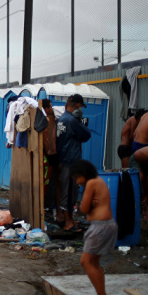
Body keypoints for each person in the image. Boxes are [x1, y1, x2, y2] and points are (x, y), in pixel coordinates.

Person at [70, 159, 117, 295]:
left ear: (83, 174)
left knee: (86, 261)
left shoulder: (91, 183)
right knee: (94, 262)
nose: (77, 183)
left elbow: (83, 208)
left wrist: (86, 204)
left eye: (77, 178)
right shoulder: (98, 181)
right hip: (106, 225)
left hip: (100, 227)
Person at [57, 94, 92, 232]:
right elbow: (86, 135)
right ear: (78, 106)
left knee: (68, 191)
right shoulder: (72, 121)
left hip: (64, 160)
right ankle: (68, 223)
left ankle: (70, 220)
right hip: (71, 162)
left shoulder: (62, 119)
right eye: (81, 107)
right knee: (69, 193)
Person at [42, 99, 62, 224]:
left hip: (50, 156)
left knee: (51, 184)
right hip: (50, 156)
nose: (52, 109)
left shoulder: (52, 120)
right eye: (50, 107)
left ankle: (49, 208)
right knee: (52, 184)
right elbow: (46, 141)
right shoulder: (48, 121)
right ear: (47, 108)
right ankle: (51, 209)